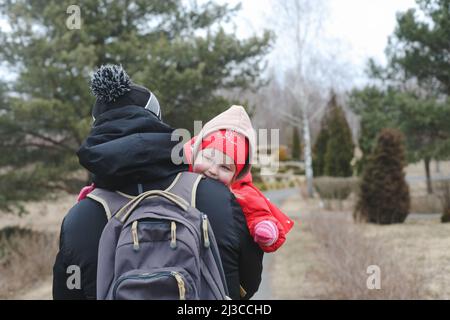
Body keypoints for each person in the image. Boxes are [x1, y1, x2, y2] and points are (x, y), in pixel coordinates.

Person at [52, 65, 263, 300]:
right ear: (157, 120)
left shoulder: (79, 219)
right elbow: (248, 283)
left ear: (97, 130)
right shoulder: (215, 196)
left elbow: (69, 293)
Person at [183, 106, 295, 253]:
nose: (212, 170)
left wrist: (264, 228)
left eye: (225, 167)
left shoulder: (241, 191)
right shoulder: (179, 175)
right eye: (208, 158)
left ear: (236, 175)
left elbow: (258, 212)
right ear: (196, 153)